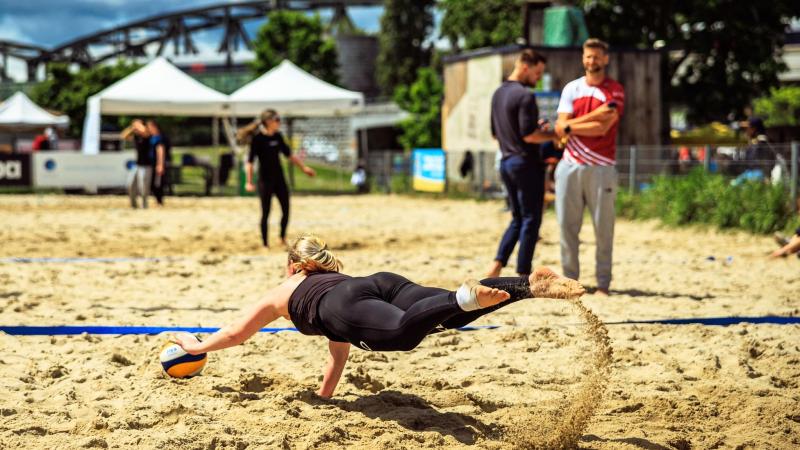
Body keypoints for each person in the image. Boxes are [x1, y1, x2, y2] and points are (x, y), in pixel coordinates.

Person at [170, 234, 585, 398]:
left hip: (346, 307)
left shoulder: (285, 290)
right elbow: (339, 346)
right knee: (441, 315)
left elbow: (236, 333)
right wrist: (325, 394)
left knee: (405, 334)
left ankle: (464, 296)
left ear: (295, 266)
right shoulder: (334, 279)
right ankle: (530, 286)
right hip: (379, 282)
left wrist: (197, 345)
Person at [554, 38, 625, 296]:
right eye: (587, 56)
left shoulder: (614, 90)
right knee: (566, 226)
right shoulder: (571, 88)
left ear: (605, 59)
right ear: (582, 58)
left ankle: (603, 283)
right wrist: (583, 121)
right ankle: (570, 282)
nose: (591, 61)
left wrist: (571, 126)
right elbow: (560, 125)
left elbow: (603, 127)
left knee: (603, 228)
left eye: (596, 56)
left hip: (602, 167)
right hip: (570, 165)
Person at [486, 49, 557, 278]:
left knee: (518, 218)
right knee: (531, 219)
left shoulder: (498, 94)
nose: (538, 78)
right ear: (525, 66)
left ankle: (496, 266)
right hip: (526, 164)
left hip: (506, 162)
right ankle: (523, 273)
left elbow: (497, 134)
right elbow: (529, 136)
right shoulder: (525, 95)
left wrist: (531, 129)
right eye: (537, 73)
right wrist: (554, 134)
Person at [241, 110, 316, 248]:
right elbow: (250, 162)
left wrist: (304, 168)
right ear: (268, 121)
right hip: (265, 180)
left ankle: (282, 238)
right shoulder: (257, 139)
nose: (279, 122)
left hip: (279, 178)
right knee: (266, 212)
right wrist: (248, 181)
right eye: (277, 119)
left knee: (286, 209)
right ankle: (265, 243)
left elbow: (290, 155)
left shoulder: (278, 136)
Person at [121, 119, 153, 209]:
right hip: (137, 165)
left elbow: (146, 132)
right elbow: (123, 136)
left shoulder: (147, 136)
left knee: (143, 187)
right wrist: (132, 128)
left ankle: (144, 205)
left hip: (146, 165)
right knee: (130, 184)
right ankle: (133, 205)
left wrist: (140, 126)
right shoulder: (136, 136)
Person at [146, 120, 168, 206]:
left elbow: (160, 151)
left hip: (157, 163)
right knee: (153, 183)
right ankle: (158, 200)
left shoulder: (159, 138)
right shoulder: (151, 137)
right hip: (152, 163)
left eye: (150, 127)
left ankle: (159, 201)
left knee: (157, 183)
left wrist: (160, 164)